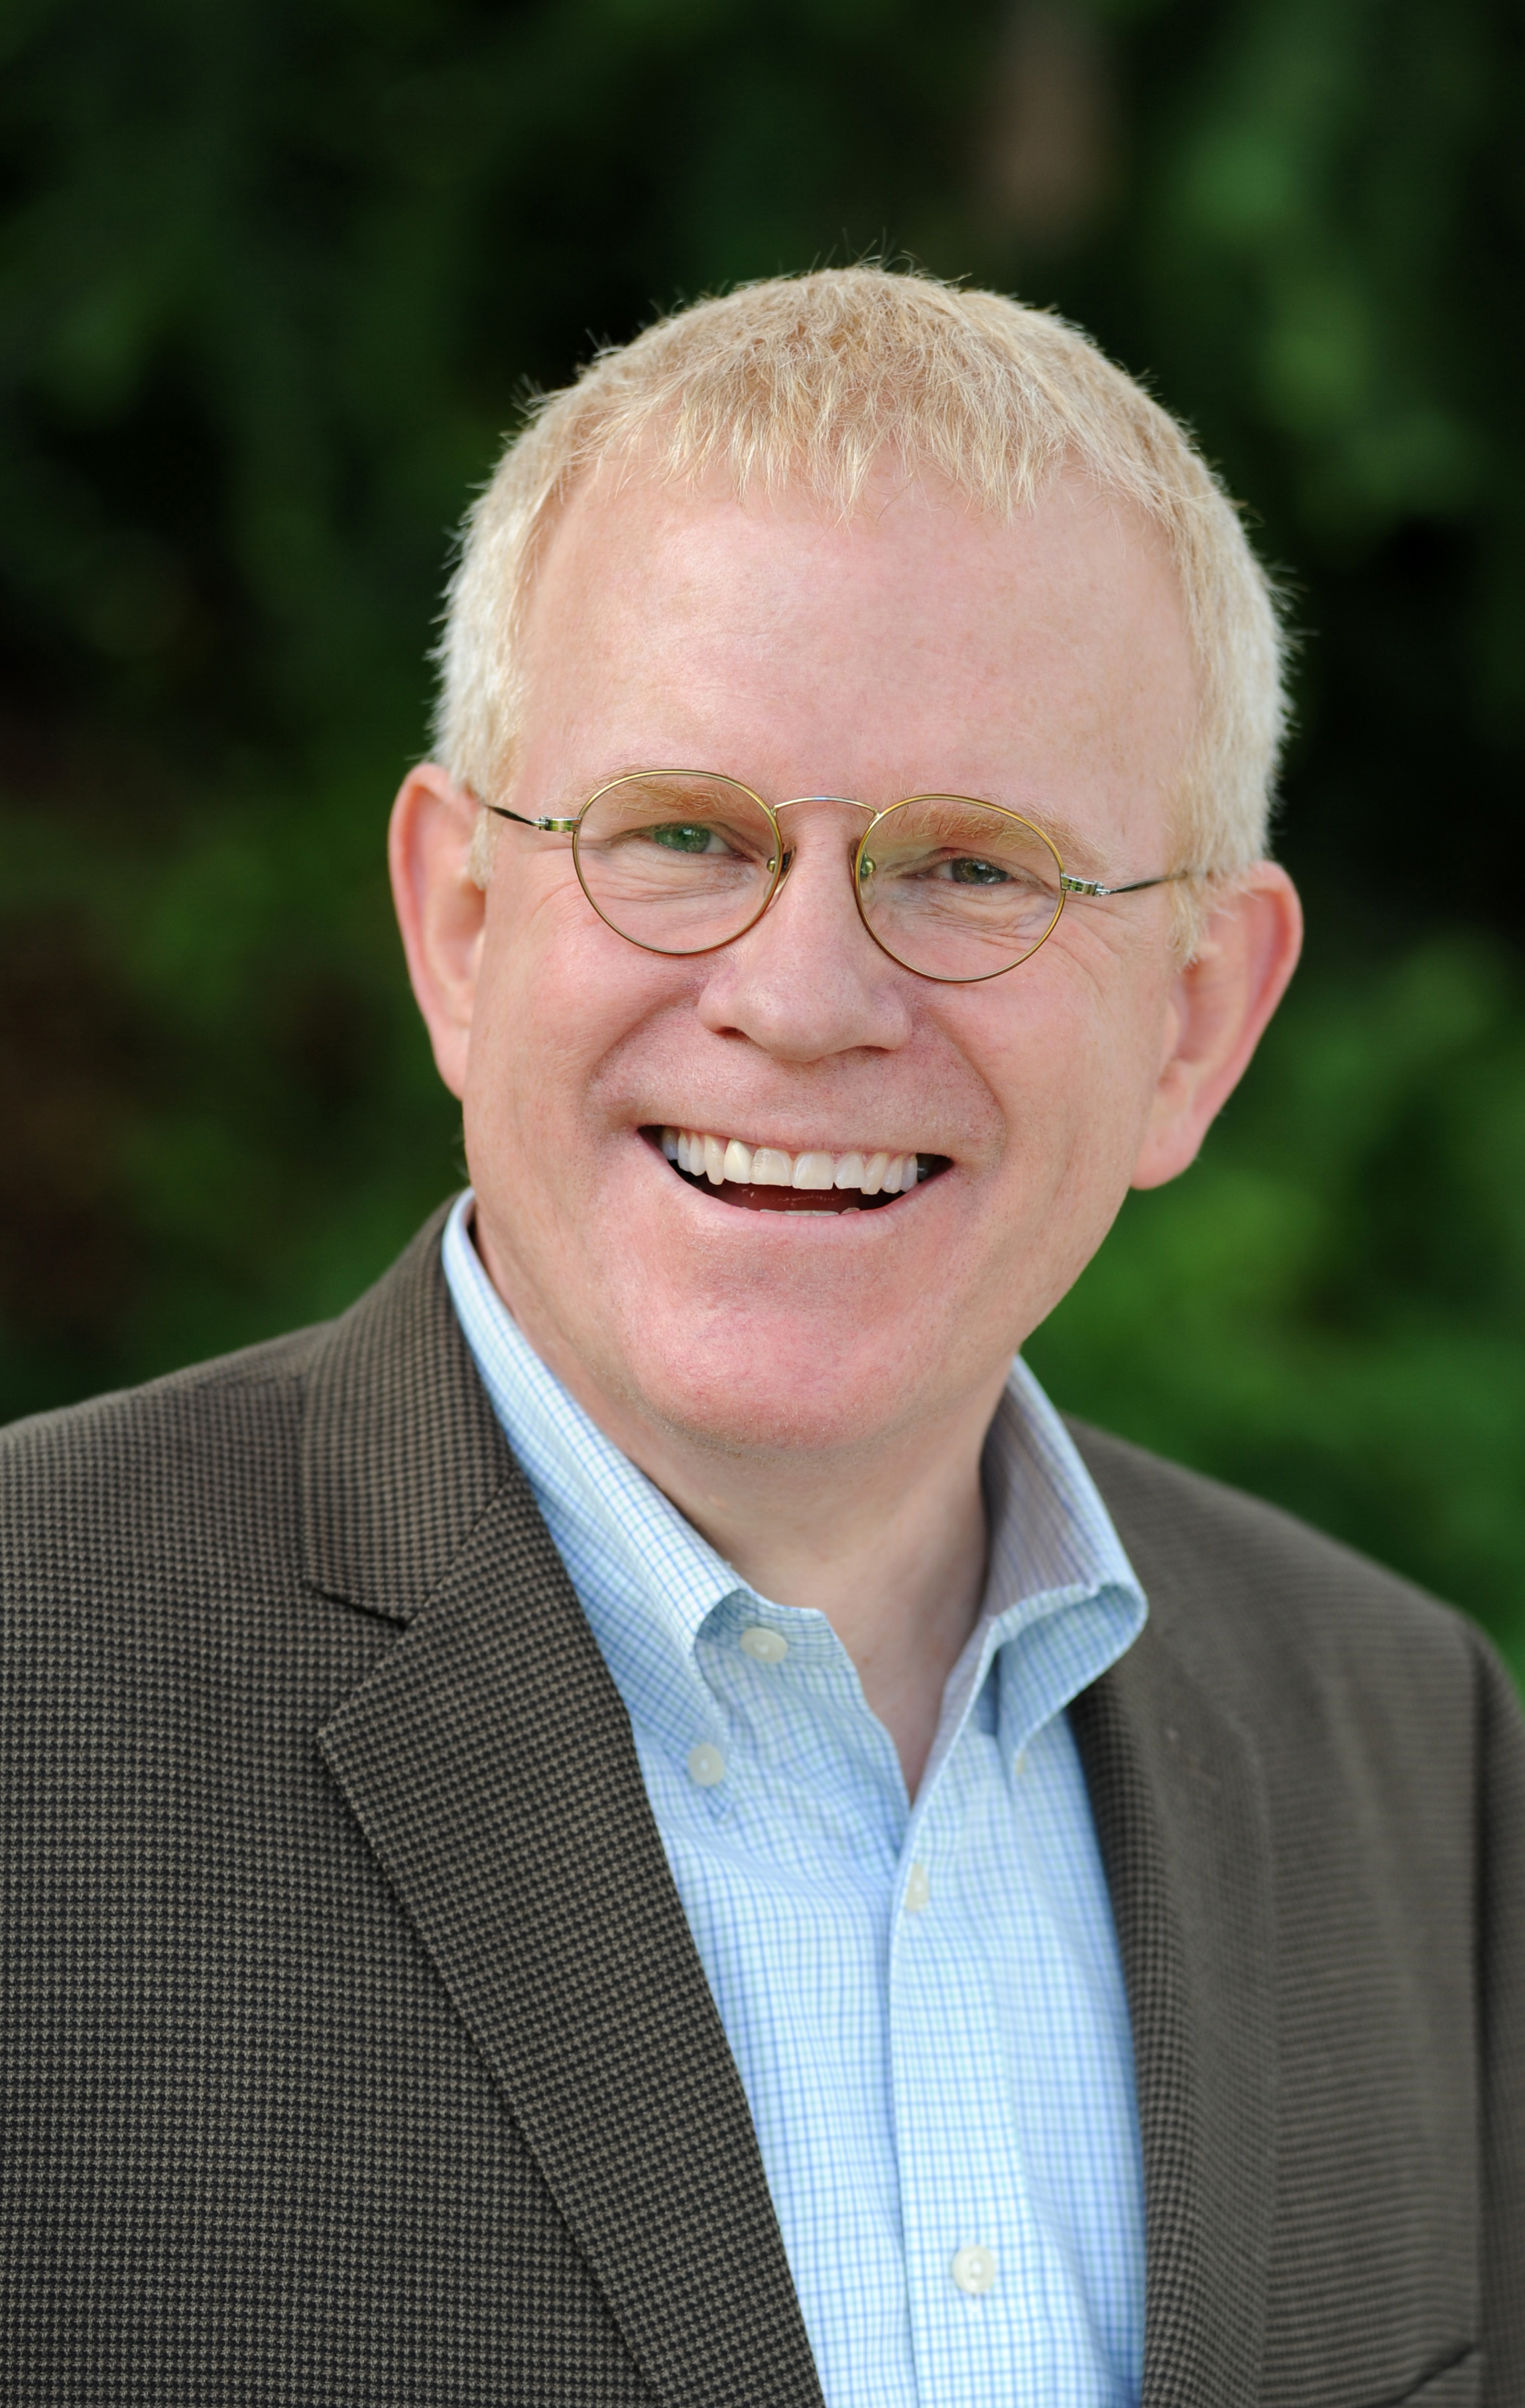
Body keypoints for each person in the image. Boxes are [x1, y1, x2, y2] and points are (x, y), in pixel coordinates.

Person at [3, 268, 1520, 2408]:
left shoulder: (1412, 1746)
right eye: (686, 837)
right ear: (458, 927)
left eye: (971, 869)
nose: (802, 998)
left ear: (1194, 1022)